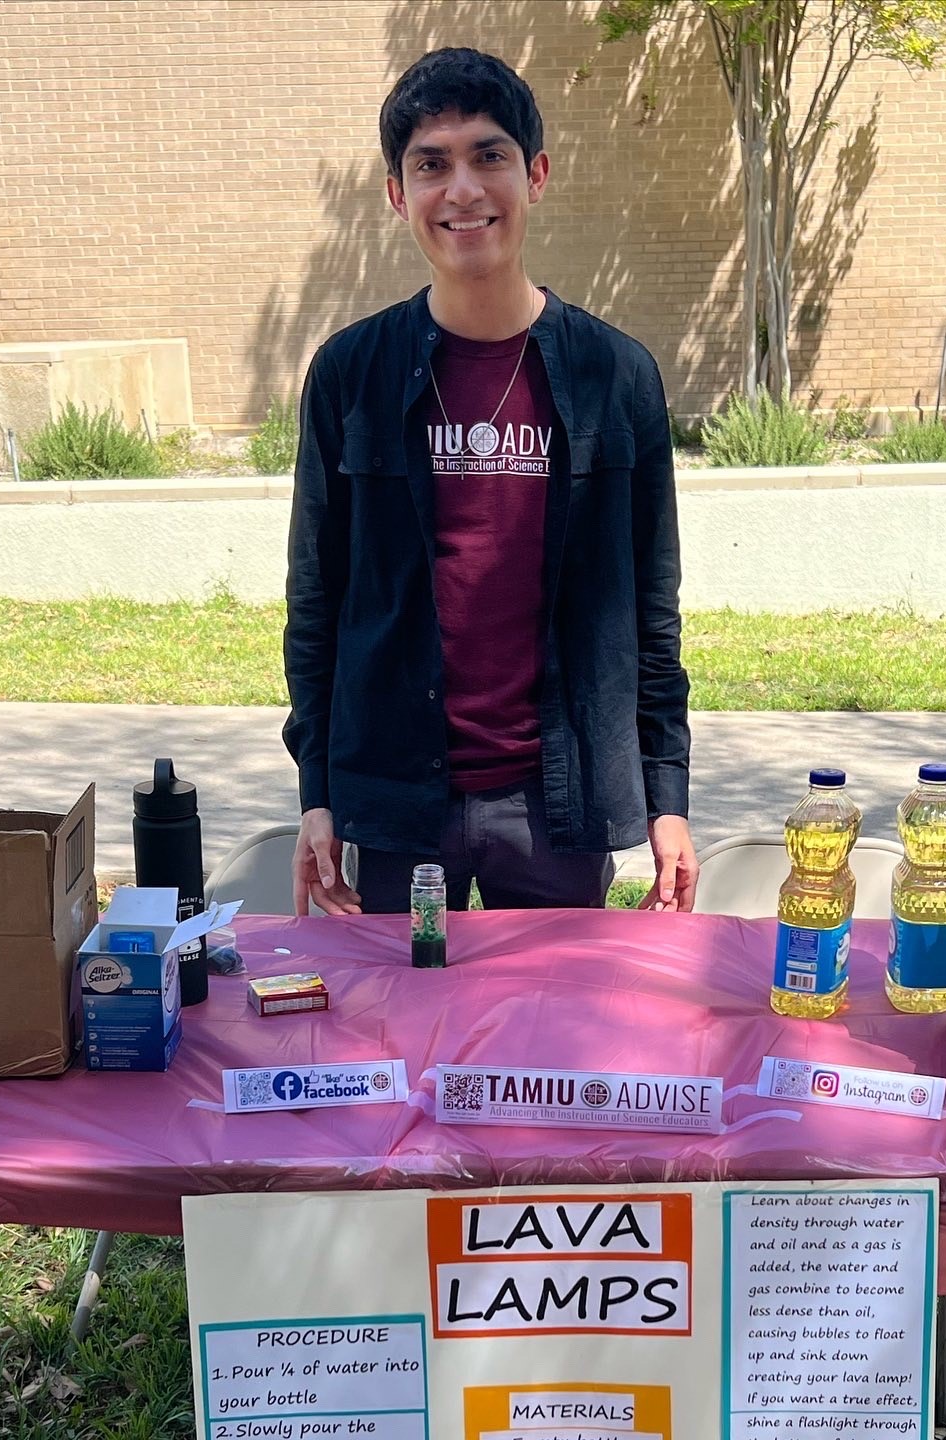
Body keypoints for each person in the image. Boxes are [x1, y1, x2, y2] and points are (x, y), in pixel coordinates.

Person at [283, 46, 695, 919]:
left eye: (489, 156)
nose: (462, 190)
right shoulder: (351, 374)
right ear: (398, 194)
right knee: (396, 1042)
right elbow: (317, 603)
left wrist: (667, 799)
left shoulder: (616, 375)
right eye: (431, 164)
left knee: (557, 1051)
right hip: (400, 807)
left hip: (558, 805)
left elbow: (650, 611)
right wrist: (317, 794)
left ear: (535, 174)